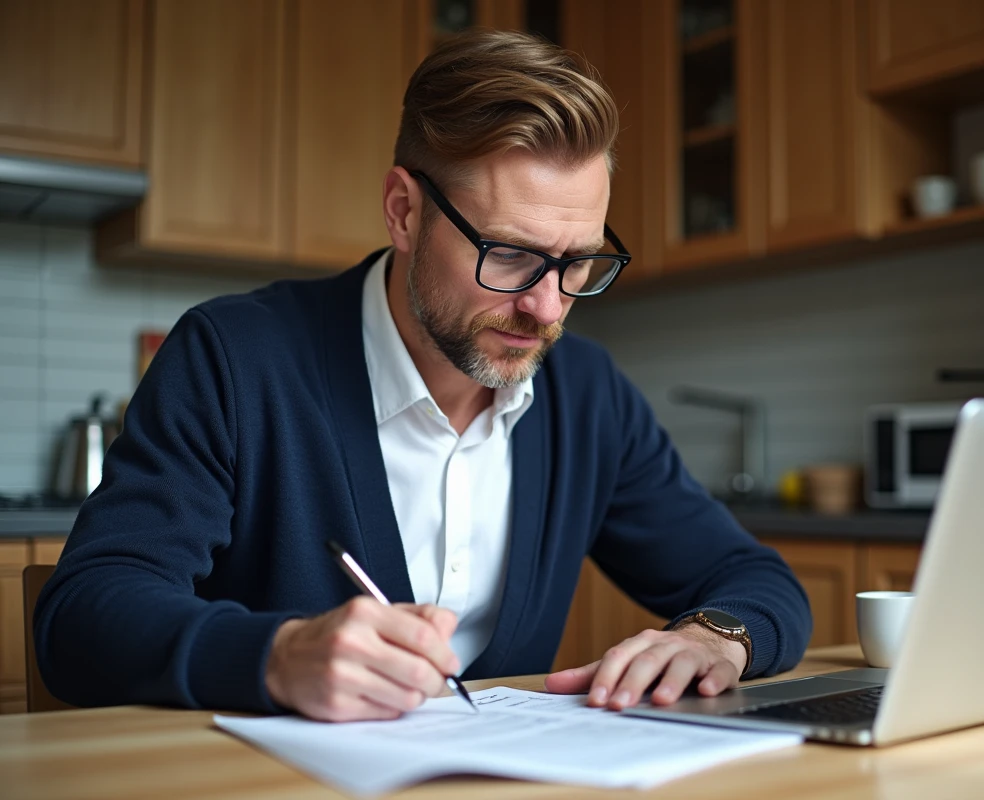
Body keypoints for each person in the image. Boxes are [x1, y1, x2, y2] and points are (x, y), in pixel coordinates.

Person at [35, 29, 811, 722]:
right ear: (404, 211)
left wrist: (718, 637)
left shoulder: (588, 395)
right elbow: (81, 616)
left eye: (578, 263)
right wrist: (276, 655)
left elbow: (753, 578)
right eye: (510, 255)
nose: (547, 308)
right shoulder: (235, 358)